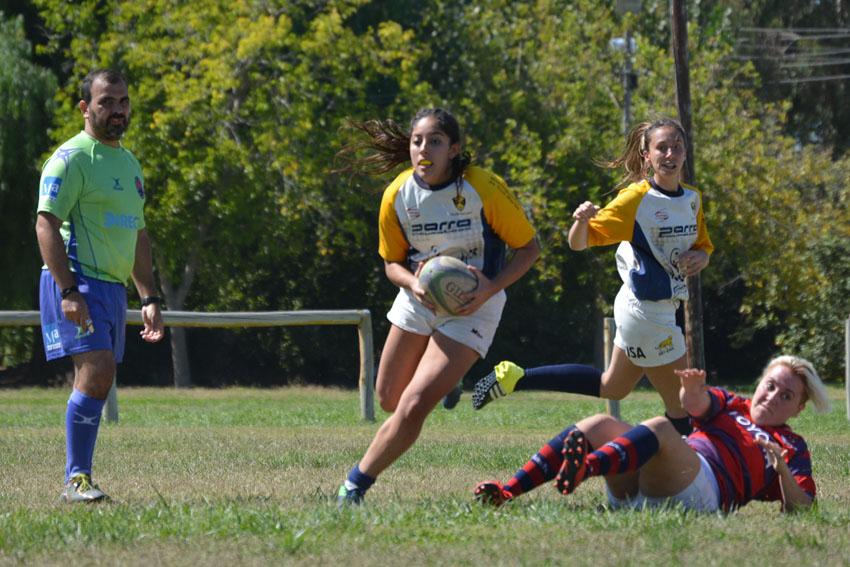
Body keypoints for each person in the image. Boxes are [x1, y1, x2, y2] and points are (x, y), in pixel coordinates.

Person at [334, 108, 540, 504]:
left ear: (454, 149)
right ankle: (450, 381)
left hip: (474, 306)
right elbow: (392, 264)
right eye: (417, 141)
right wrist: (414, 283)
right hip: (419, 298)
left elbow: (530, 249)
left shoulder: (483, 186)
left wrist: (490, 288)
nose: (424, 149)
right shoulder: (397, 194)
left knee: (412, 408)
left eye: (435, 141)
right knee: (390, 399)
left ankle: (354, 485)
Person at [472, 118, 713, 435]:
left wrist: (701, 257)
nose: (670, 154)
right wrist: (581, 221)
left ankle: (516, 376)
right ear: (646, 156)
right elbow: (578, 242)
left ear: (685, 153)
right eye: (662, 148)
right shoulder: (635, 199)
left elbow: (703, 246)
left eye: (677, 147)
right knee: (682, 407)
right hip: (647, 311)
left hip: (652, 309)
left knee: (613, 386)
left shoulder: (691, 199)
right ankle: (677, 474)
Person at [474, 355, 830, 513]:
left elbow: (802, 508)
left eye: (787, 396)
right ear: (760, 382)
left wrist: (780, 466)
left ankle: (586, 468)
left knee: (659, 428)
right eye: (770, 386)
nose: (773, 398)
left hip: (705, 494)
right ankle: (508, 491)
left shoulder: (793, 445)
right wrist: (691, 389)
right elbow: (694, 404)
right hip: (663, 479)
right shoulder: (730, 403)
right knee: (600, 423)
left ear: (798, 408)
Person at [36, 69, 165, 502]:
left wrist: (148, 296)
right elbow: (45, 224)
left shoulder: (129, 163)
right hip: (77, 279)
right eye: (107, 101)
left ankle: (80, 477)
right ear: (85, 107)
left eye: (123, 101)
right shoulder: (71, 158)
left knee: (101, 378)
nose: (117, 110)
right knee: (97, 370)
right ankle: (76, 481)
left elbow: (138, 235)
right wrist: (68, 290)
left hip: (113, 288)